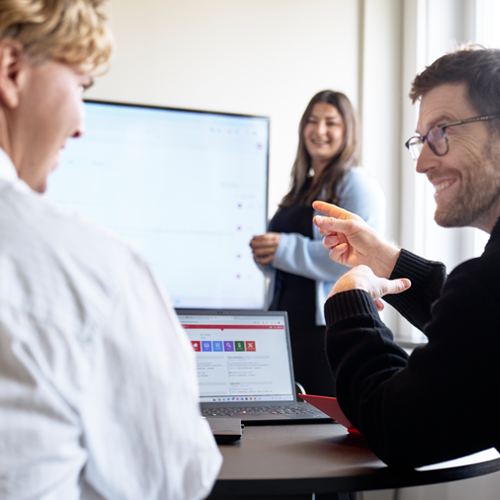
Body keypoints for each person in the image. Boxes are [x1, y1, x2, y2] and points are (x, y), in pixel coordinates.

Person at [0, 1, 221, 498]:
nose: (80, 125)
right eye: (81, 86)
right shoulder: (94, 273)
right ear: (11, 70)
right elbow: (176, 480)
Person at [313, 46, 500, 468]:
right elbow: (478, 330)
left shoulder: (487, 284)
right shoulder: (485, 289)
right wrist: (385, 260)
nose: (422, 164)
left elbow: (396, 428)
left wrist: (350, 304)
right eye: (420, 139)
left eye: (442, 131)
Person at [249, 90, 385, 396]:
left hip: (321, 332)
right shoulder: (301, 188)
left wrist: (282, 248)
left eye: (330, 123)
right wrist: (267, 257)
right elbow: (291, 268)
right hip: (284, 328)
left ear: (347, 130)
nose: (319, 130)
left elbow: (349, 256)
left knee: (317, 427)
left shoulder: (356, 183)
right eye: (312, 121)